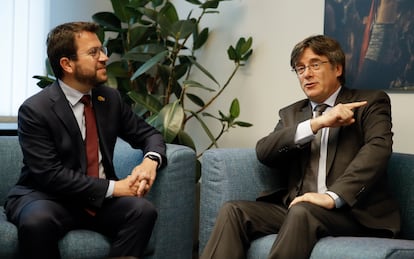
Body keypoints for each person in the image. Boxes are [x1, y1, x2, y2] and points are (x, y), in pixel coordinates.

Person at [200, 35, 400, 259]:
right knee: (233, 211)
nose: (307, 73)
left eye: (315, 64)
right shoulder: (292, 113)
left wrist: (333, 196)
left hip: (353, 212)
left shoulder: (369, 102)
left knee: (302, 211)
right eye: (300, 68)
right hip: (297, 207)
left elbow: (378, 149)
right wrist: (317, 123)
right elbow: (264, 152)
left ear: (337, 68)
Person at [4, 22, 166, 259]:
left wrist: (150, 161)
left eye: (102, 50)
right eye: (93, 53)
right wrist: (115, 188)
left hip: (99, 201)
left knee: (143, 211)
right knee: (37, 221)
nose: (105, 58)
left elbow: (150, 135)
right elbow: (50, 175)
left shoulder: (109, 99)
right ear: (67, 64)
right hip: (48, 197)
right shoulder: (35, 109)